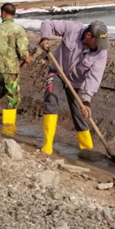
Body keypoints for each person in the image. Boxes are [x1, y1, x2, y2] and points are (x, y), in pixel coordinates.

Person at [37, 19, 109, 155]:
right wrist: (44, 38)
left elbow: (95, 77)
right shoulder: (73, 29)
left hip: (76, 81)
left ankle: (87, 149)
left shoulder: (101, 52)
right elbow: (48, 23)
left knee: (81, 112)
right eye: (98, 42)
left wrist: (86, 100)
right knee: (51, 100)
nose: (100, 46)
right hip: (57, 72)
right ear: (88, 35)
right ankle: (47, 146)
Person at [0, 3, 30, 123]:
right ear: (13, 14)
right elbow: (22, 49)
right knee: (13, 97)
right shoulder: (19, 30)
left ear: (3, 13)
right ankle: (8, 125)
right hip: (10, 69)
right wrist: (27, 57)